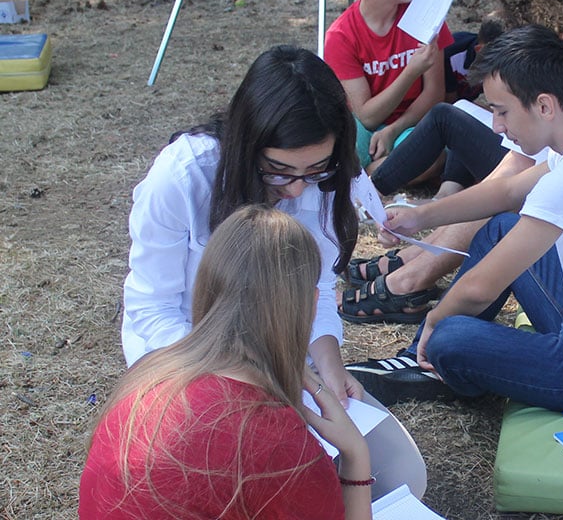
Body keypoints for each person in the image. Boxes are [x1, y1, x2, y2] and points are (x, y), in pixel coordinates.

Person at [121, 45, 426, 498]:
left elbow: (317, 289)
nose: (298, 187)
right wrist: (236, 378)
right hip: (185, 361)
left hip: (282, 367)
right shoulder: (184, 176)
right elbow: (152, 308)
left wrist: (328, 367)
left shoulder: (322, 181)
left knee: (399, 479)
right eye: (278, 171)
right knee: (260, 482)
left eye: (315, 169)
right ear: (248, 144)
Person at [346, 25, 563, 411]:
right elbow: (507, 191)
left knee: (450, 336)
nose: (496, 126)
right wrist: (419, 216)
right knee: (499, 228)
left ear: (544, 106)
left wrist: (434, 321)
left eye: (501, 111)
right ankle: (426, 361)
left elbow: (481, 287)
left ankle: (433, 359)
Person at [340, 0, 563, 324]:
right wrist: (420, 217)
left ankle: (406, 260)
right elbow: (508, 182)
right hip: (558, 150)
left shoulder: (528, 46)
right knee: (474, 133)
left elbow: (507, 200)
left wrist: (437, 324)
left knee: (457, 128)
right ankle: (412, 261)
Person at [82, 206, 374, 519]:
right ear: (312, 303)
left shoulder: (148, 375)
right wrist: (356, 454)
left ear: (206, 287)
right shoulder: (280, 446)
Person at [324, 0, 455, 175]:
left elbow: (435, 93)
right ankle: (379, 172)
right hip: (364, 126)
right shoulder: (340, 36)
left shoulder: (425, 12)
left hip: (412, 121)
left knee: (431, 156)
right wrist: (411, 71)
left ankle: (368, 176)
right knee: (336, 149)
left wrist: (394, 129)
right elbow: (367, 117)